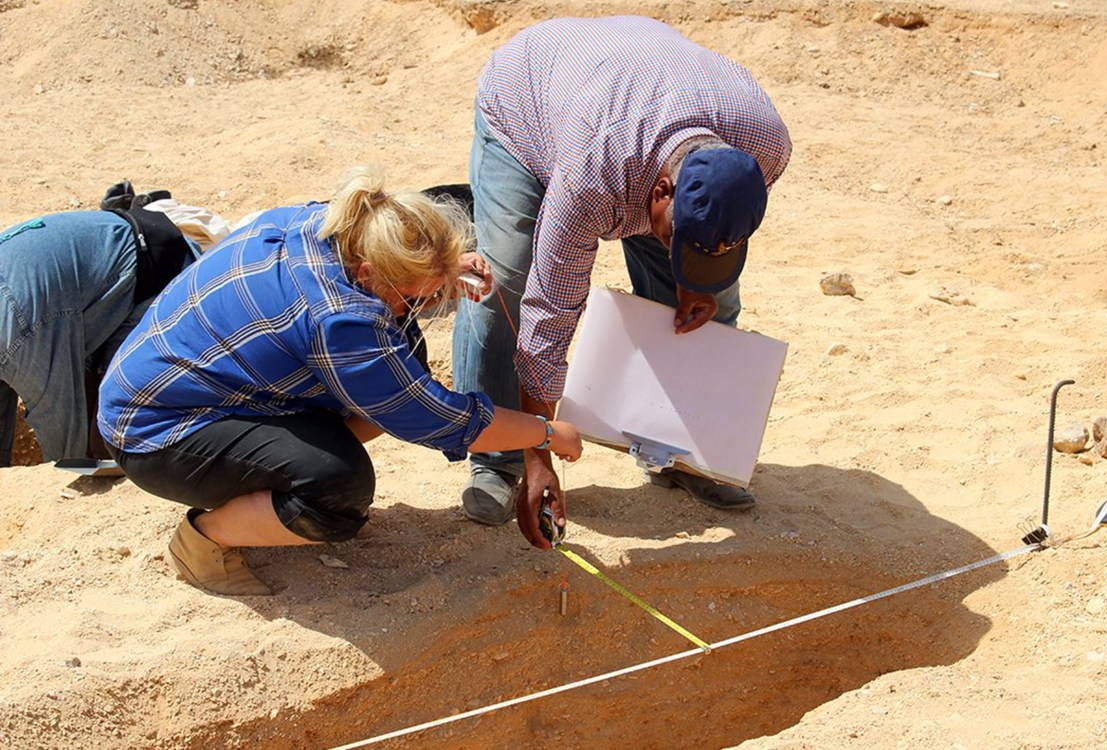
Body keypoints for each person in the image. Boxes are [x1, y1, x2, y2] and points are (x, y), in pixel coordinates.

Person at [98, 166, 583, 597]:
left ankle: (276, 479)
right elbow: (438, 418)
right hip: (156, 434)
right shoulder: (342, 322)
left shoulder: (325, 224)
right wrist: (545, 432)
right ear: (371, 272)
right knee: (337, 488)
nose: (424, 303)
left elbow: (392, 351)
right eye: (413, 293)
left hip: (174, 383)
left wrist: (438, 271)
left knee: (401, 349)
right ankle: (204, 539)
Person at [451, 16, 792, 546]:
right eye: (680, 240)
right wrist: (539, 456)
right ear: (659, 192)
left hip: (635, 84)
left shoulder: (765, 145)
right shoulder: (593, 174)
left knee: (713, 306)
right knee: (507, 280)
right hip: (529, 99)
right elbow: (549, 318)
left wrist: (696, 283)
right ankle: (497, 458)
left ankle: (676, 450)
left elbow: (717, 228)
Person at [0, 200, 200, 467]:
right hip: (89, 287)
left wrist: (66, 476)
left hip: (160, 273)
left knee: (104, 430)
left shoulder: (19, 334)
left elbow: (63, 441)